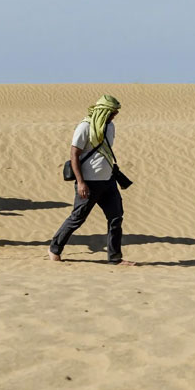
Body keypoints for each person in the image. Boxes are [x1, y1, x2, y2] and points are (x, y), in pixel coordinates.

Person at [48, 95, 133, 265]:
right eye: (112, 112)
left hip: (108, 181)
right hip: (89, 183)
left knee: (116, 218)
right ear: (104, 111)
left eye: (116, 112)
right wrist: (80, 182)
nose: (115, 115)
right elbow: (74, 154)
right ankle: (54, 248)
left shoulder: (111, 127)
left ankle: (114, 258)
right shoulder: (84, 127)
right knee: (78, 217)